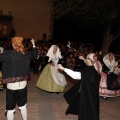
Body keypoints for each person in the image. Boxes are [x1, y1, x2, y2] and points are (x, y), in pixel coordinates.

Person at [0, 36, 37, 120]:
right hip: (23, 84)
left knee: (10, 108)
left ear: (13, 44)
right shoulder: (26, 54)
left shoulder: (8, 54)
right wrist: (34, 44)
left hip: (11, 86)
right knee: (23, 105)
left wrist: (1, 52)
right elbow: (34, 55)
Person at [58, 53, 101, 120]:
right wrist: (84, 59)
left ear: (89, 60)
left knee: (87, 109)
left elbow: (75, 75)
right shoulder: (95, 69)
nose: (85, 59)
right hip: (93, 94)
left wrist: (63, 68)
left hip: (87, 94)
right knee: (91, 107)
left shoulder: (87, 71)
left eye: (86, 58)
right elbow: (90, 62)